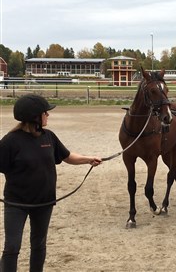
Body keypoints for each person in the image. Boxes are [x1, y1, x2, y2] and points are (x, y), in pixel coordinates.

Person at [0, 94, 102, 272]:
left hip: (44, 202)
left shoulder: (49, 137)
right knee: (12, 247)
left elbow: (67, 156)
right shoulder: (10, 142)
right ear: (35, 117)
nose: (48, 115)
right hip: (16, 204)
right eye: (45, 112)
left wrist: (88, 159)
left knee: (38, 245)